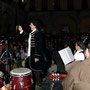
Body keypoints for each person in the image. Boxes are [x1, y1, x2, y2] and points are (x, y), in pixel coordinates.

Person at [18, 19, 49, 87]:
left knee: (36, 69)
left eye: (31, 24)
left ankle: (38, 82)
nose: (30, 25)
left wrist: (37, 56)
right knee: (31, 68)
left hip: (34, 55)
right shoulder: (32, 33)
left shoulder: (38, 34)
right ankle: (32, 82)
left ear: (35, 26)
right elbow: (26, 35)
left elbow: (39, 46)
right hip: (30, 54)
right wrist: (21, 30)